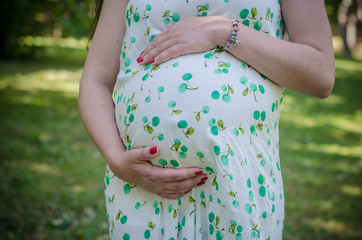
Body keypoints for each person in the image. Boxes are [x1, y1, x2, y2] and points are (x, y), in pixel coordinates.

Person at [78, 0, 335, 239]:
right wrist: (116, 160)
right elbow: (95, 80)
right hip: (141, 186)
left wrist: (223, 31)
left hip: (238, 182)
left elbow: (320, 74)